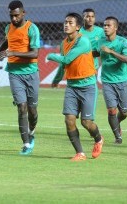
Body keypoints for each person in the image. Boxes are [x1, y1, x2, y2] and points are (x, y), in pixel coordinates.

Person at [48, 12, 104, 161]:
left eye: (71, 23)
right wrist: (56, 79)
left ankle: (98, 139)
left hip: (88, 85)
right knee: (69, 120)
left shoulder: (83, 41)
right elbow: (63, 65)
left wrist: (50, 56)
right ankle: (80, 153)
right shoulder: (63, 43)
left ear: (78, 27)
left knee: (86, 123)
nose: (66, 24)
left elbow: (66, 59)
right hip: (72, 86)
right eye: (65, 22)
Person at [0, 0, 40, 155]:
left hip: (31, 73)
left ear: (23, 13)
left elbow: (35, 53)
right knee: (22, 107)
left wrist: (12, 53)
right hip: (14, 73)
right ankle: (26, 143)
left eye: (16, 15)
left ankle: (32, 131)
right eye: (11, 16)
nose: (13, 19)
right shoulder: (9, 28)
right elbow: (6, 44)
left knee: (33, 111)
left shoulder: (32, 29)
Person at [95, 16, 127, 144]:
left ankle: (117, 122)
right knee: (111, 110)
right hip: (107, 81)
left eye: (108, 25)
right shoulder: (100, 41)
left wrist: (111, 52)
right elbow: (95, 52)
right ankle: (117, 136)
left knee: (124, 112)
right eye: (104, 25)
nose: (105, 27)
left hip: (122, 80)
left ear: (115, 27)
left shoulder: (123, 42)